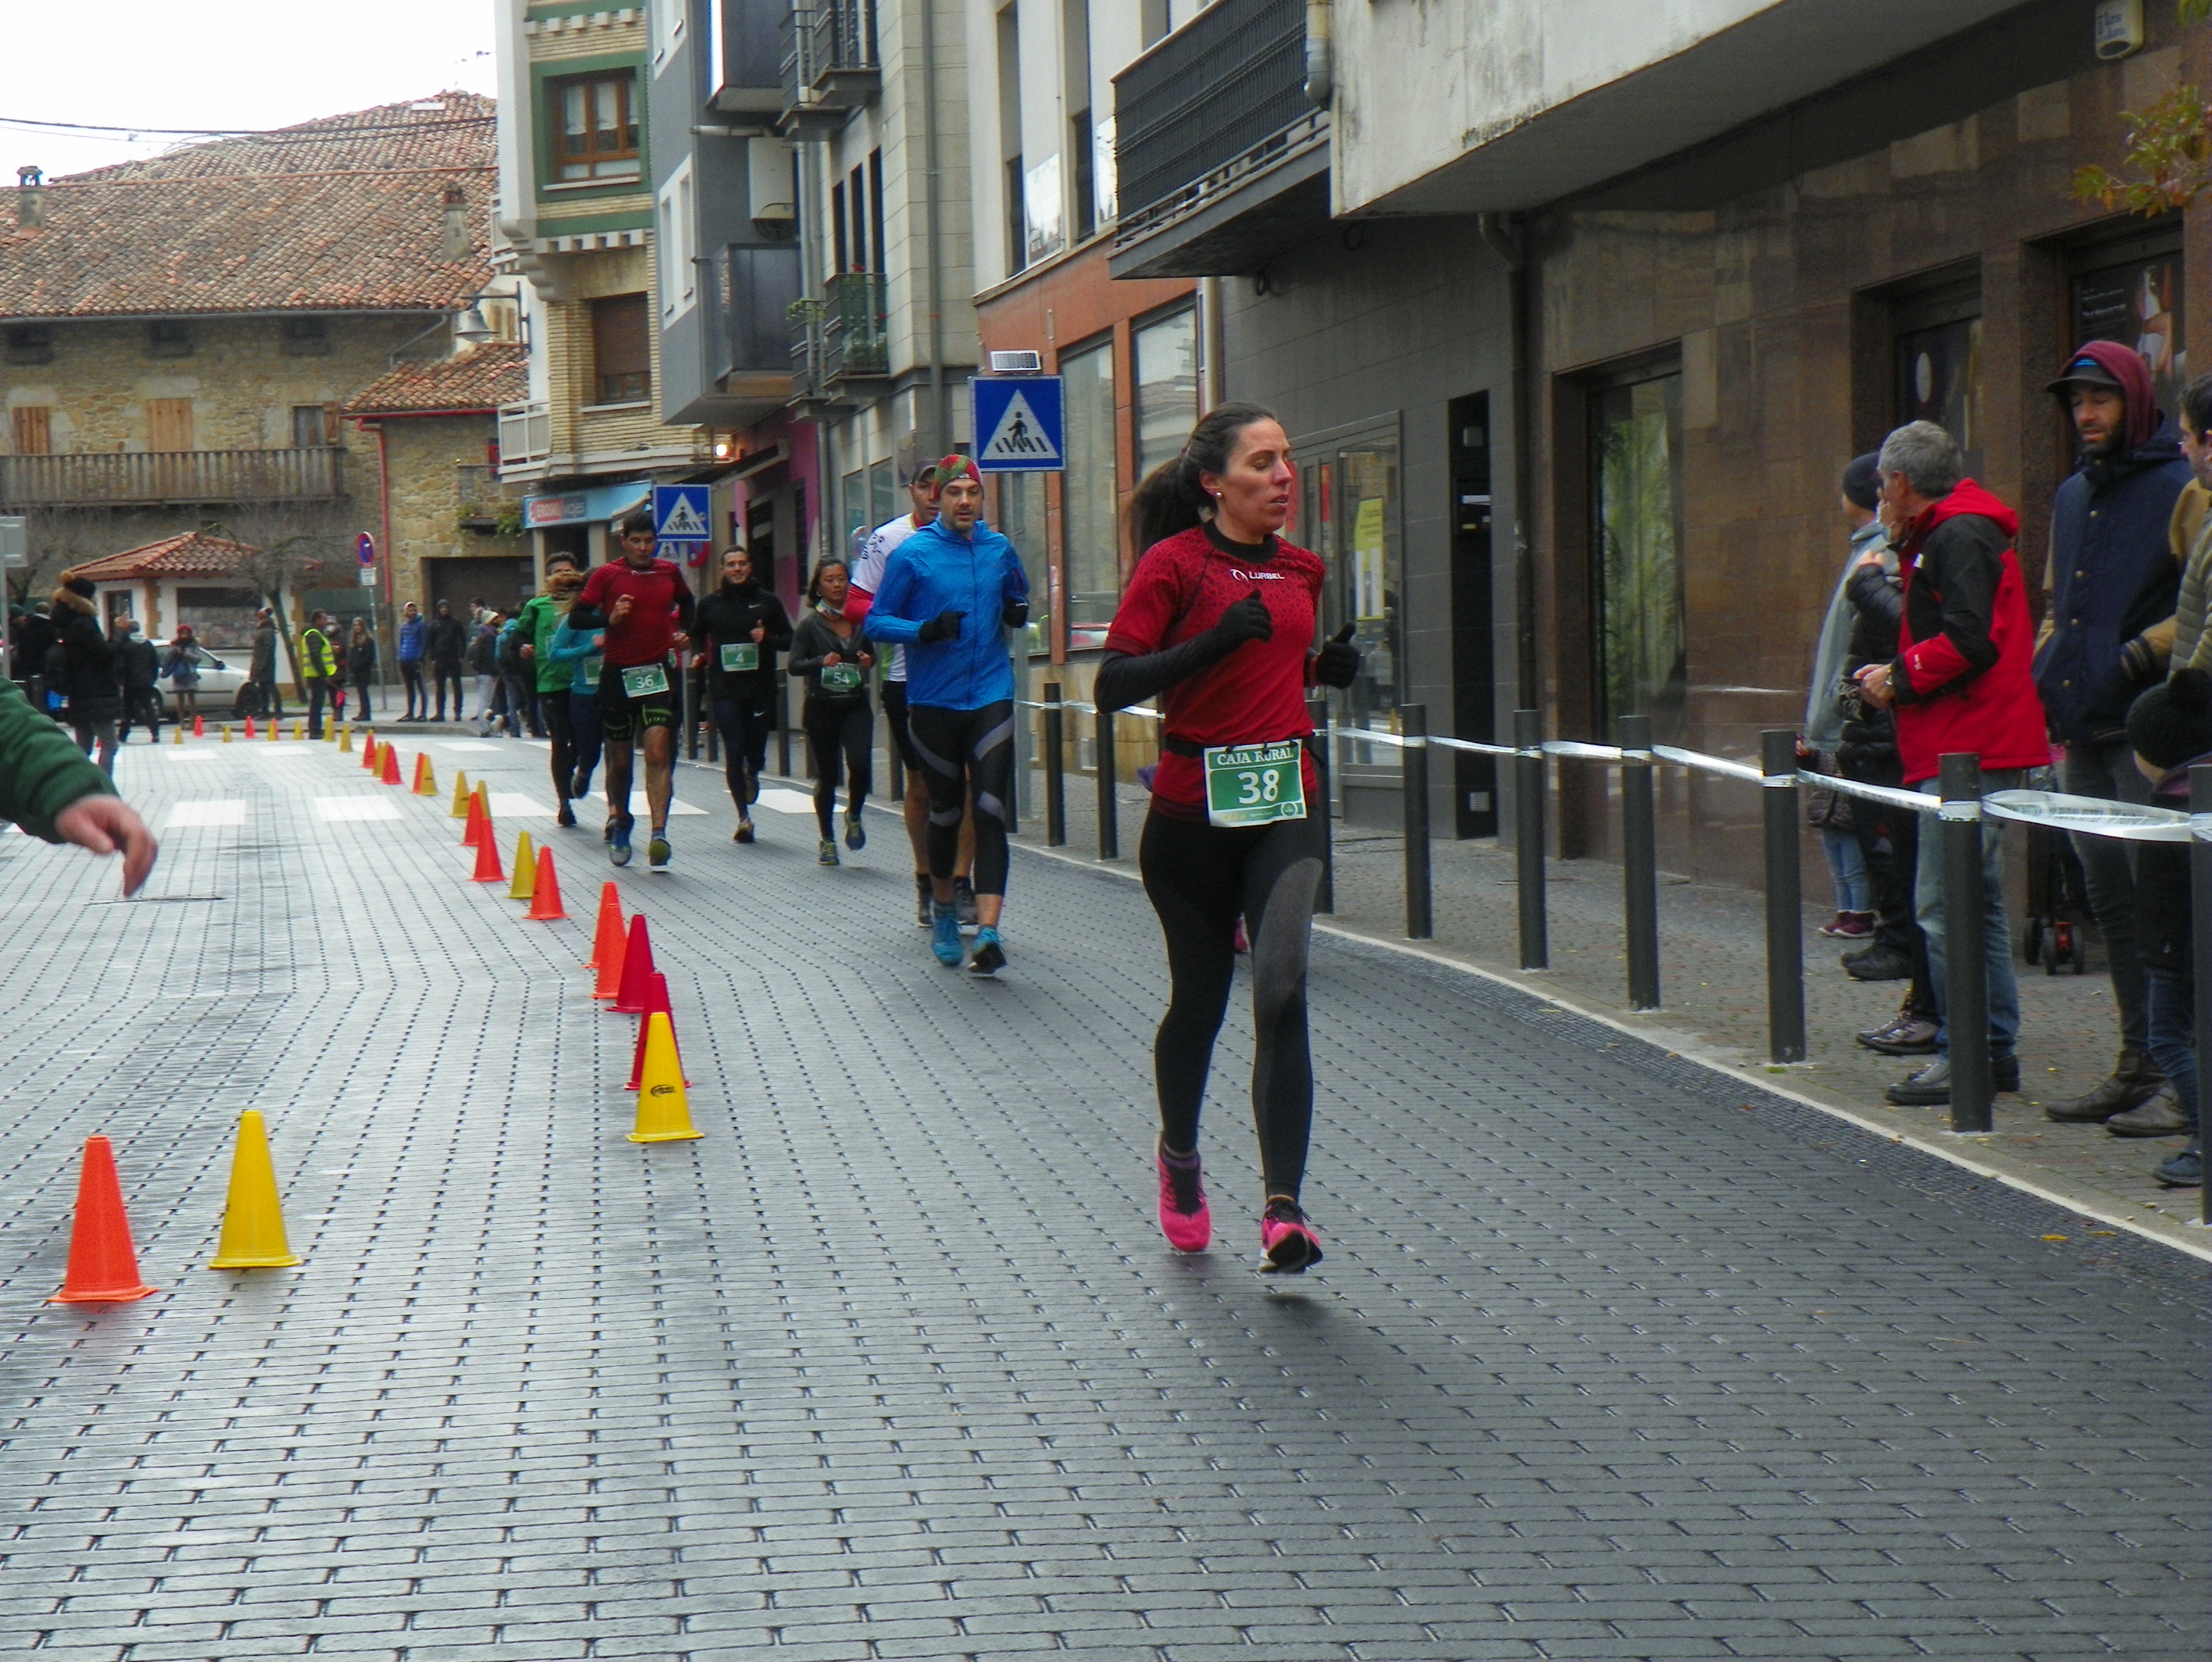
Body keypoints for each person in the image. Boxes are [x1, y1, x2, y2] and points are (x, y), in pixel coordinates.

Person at [1094, 402, 1361, 1271]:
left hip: (1286, 798)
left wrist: (1322, 670)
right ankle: (1179, 1157)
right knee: (1201, 1004)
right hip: (1190, 818)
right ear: (1214, 482)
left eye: (1286, 459)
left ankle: (1284, 1210)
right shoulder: (1174, 565)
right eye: (1261, 462)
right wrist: (1211, 641)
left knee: (1281, 990)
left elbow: (1271, 665)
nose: (1283, 476)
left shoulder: (1303, 569)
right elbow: (1113, 684)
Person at [1854, 421, 2050, 1107]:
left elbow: (1970, 639)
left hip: (1970, 744)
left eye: (1883, 488)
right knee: (1976, 902)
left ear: (1900, 482)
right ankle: (1987, 1049)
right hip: (1971, 740)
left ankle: (1966, 1054)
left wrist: (1898, 677)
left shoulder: (1958, 534)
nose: (1880, 501)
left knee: (1945, 906)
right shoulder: (1954, 532)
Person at [2032, 342, 2193, 1126]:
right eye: (2076, 402)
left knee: (2161, 905)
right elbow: (2056, 600)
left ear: (2134, 399)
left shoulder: (2179, 484)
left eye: (2099, 399)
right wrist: (2046, 662)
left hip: (2145, 731)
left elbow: (2200, 603)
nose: (2086, 414)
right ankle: (2137, 1063)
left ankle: (2182, 1075)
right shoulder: (2072, 494)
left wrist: (2140, 653)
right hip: (2080, 726)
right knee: (2111, 903)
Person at [862, 455, 1028, 973]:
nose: (964, 501)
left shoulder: (999, 549)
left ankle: (990, 931)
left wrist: (1017, 610)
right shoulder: (914, 554)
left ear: (982, 499)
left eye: (972, 493)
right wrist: (925, 631)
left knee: (991, 807)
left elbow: (1017, 594)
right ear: (938, 498)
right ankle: (943, 911)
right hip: (934, 700)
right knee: (946, 811)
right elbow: (876, 622)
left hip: (991, 693)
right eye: (954, 492)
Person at [849, 463, 979, 926]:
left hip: (965, 676)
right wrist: (914, 621)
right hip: (906, 678)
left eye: (941, 488)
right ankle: (926, 878)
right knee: (923, 785)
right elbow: (856, 604)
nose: (933, 495)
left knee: (968, 782)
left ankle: (961, 882)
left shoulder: (976, 537)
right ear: (914, 492)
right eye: (926, 487)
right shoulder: (889, 540)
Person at [2119, 671, 2207, 1185]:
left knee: (2169, 1039)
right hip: (2181, 950)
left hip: (2177, 953)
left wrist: (2174, 957)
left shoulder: (2176, 811)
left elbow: (2174, 897)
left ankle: (2205, 1140)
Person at [573, 508, 695, 868]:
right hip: (618, 677)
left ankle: (659, 833)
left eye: (649, 541)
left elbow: (688, 602)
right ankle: (622, 820)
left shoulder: (668, 572)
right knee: (621, 760)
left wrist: (685, 632)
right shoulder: (608, 575)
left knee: (658, 753)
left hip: (656, 674)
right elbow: (578, 616)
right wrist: (608, 619)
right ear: (623, 541)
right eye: (636, 541)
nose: (643, 548)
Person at [0, 669, 157, 893]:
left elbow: (11, 732)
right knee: (106, 745)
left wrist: (68, 787)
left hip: (81, 704)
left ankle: (92, 779)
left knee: (96, 744)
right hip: (94, 702)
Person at [693, 544, 794, 843]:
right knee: (733, 749)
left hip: (759, 687)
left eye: (742, 563)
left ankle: (754, 771)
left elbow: (788, 639)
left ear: (749, 568)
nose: (737, 569)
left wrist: (767, 637)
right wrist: (698, 654)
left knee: (755, 751)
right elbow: (697, 632)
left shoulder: (767, 602)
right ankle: (743, 818)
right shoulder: (710, 604)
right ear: (723, 570)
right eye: (731, 564)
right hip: (725, 688)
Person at [789, 558, 874, 865]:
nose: (838, 585)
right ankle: (827, 838)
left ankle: (854, 813)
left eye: (842, 579)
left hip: (855, 703)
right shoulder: (810, 624)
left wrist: (867, 660)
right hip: (822, 706)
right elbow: (794, 665)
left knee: (860, 764)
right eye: (830, 580)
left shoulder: (860, 619)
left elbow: (870, 654)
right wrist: (820, 662)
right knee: (827, 775)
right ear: (819, 587)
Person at [513, 558, 587, 821]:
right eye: (559, 572)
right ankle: (564, 803)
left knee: (582, 739)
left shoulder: (585, 603)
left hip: (583, 681)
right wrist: (524, 647)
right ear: (549, 578)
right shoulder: (536, 606)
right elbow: (519, 634)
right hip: (552, 682)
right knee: (560, 739)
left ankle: (576, 771)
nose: (565, 576)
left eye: (569, 571)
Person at [546, 597, 607, 825]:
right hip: (584, 693)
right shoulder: (576, 619)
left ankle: (617, 815)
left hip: (616, 693)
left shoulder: (620, 614)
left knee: (618, 754)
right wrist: (590, 648)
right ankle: (583, 772)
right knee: (588, 749)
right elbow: (555, 653)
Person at [52, 577, 121, 775]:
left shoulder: (66, 622)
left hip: (78, 691)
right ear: (84, 598)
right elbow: (104, 654)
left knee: (83, 747)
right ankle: (102, 785)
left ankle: (78, 783)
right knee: (109, 745)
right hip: (96, 691)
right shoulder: (83, 624)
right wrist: (120, 633)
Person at [113, 617, 161, 745]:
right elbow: (155, 663)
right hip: (146, 682)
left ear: (128, 630)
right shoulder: (148, 644)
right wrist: (152, 678)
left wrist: (121, 680)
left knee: (128, 710)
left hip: (131, 682)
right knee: (149, 708)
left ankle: (123, 735)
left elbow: (121, 665)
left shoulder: (127, 645)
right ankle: (155, 734)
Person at [427, 598, 467, 722]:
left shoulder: (455, 622)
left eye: (446, 607)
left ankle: (458, 712)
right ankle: (440, 713)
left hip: (454, 658)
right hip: (440, 659)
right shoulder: (434, 624)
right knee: (440, 687)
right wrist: (433, 658)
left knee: (457, 685)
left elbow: (463, 639)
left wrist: (461, 655)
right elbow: (430, 642)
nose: (444, 609)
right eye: (442, 607)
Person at [300, 610, 338, 738]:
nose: (326, 622)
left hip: (315, 674)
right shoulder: (314, 634)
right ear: (317, 620)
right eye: (324, 619)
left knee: (317, 703)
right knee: (317, 703)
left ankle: (315, 729)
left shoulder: (315, 633)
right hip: (317, 675)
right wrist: (324, 674)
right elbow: (315, 655)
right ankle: (315, 730)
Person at [162, 624, 206, 723]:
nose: (184, 636)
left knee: (192, 699)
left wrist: (185, 654)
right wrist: (174, 653)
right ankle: (182, 722)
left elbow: (198, 659)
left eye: (186, 633)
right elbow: (168, 660)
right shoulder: (175, 645)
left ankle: (192, 722)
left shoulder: (193, 645)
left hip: (190, 674)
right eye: (182, 633)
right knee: (180, 700)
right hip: (179, 674)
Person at [247, 606, 285, 722]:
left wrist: (263, 663)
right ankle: (265, 711)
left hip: (266, 664)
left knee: (271, 687)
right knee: (263, 688)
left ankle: (278, 711)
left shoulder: (268, 631)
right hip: (260, 663)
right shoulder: (263, 629)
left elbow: (269, 649)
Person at [465, 609, 499, 734]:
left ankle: (485, 727)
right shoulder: (490, 637)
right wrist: (495, 672)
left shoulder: (481, 636)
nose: (497, 621)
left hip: (481, 673)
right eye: (494, 619)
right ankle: (484, 728)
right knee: (485, 702)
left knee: (484, 701)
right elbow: (490, 657)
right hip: (488, 674)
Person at [396, 601, 428, 719]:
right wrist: (400, 657)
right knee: (409, 688)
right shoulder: (404, 626)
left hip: (416, 660)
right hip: (405, 660)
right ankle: (410, 712)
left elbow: (424, 643)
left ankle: (423, 713)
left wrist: (420, 657)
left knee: (421, 687)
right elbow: (401, 642)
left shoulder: (421, 625)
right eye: (410, 610)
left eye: (414, 610)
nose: (413, 612)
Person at [346, 617, 377, 722]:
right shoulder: (354, 640)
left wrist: (359, 664)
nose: (357, 627)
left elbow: (369, 656)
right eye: (355, 625)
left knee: (363, 691)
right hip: (356, 670)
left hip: (364, 670)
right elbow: (352, 655)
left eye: (359, 625)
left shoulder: (368, 640)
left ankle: (366, 713)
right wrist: (351, 665)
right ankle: (362, 712)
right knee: (360, 691)